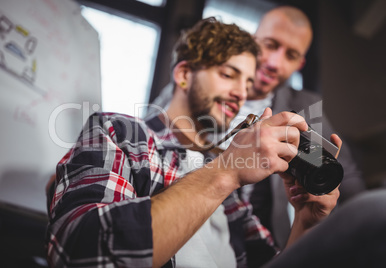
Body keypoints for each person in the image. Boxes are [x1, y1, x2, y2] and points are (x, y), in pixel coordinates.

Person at [46, 18, 341, 267]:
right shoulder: (120, 133)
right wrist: (227, 171)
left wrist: (305, 222)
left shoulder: (229, 189)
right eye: (228, 74)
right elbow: (83, 254)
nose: (241, 93)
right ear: (185, 74)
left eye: (248, 84)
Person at [148, 5, 365, 250]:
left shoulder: (302, 108)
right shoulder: (186, 100)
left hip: (247, 235)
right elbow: (150, 143)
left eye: (290, 55)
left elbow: (332, 169)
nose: (274, 63)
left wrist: (314, 201)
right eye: (271, 45)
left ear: (300, 64)